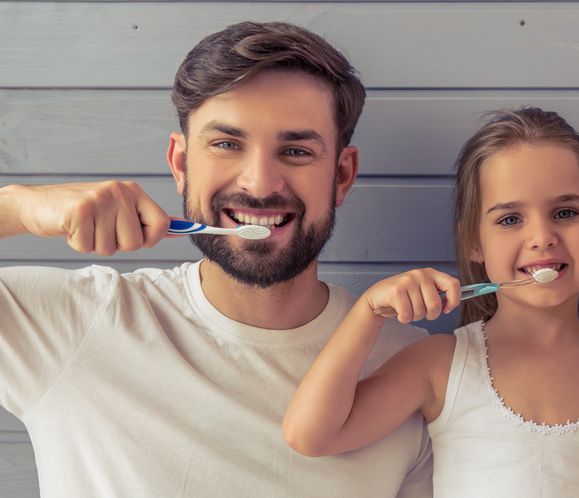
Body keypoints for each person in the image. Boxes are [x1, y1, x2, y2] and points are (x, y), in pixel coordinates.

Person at [0, 21, 431, 497]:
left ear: (343, 175)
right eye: (227, 144)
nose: (260, 184)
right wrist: (22, 207)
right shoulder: (73, 325)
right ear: (181, 165)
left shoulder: (411, 370)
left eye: (295, 150)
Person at [283, 107, 579, 497]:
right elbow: (309, 435)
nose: (541, 237)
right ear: (473, 242)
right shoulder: (442, 364)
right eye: (510, 219)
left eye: (564, 213)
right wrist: (368, 313)